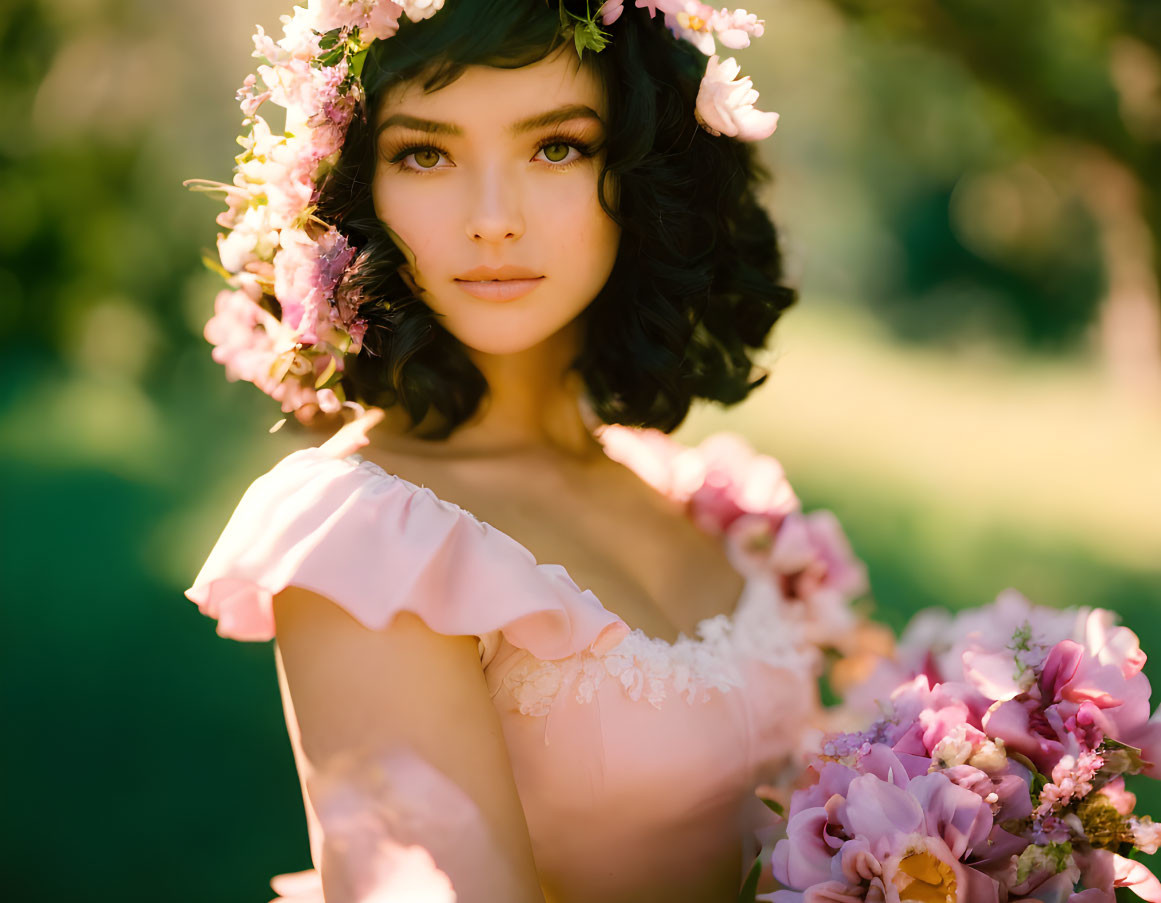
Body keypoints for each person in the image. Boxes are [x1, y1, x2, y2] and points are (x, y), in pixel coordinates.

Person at [184, 2, 875, 901]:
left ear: (643, 167)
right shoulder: (366, 537)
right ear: (355, 187)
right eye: (424, 153)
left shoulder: (689, 497)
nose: (493, 220)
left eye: (557, 146)